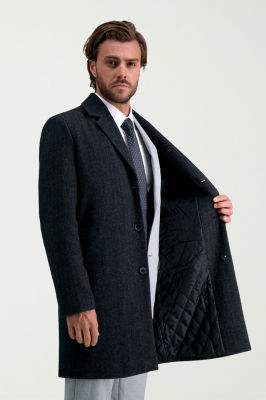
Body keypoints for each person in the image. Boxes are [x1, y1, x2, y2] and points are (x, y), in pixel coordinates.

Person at [39, 20, 243, 400]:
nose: (122, 72)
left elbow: (156, 207)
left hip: (141, 305)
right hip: (95, 303)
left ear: (140, 69)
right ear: (93, 67)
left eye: (131, 64)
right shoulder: (66, 130)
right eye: (112, 62)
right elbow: (58, 225)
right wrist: (76, 303)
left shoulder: (145, 136)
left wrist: (211, 209)